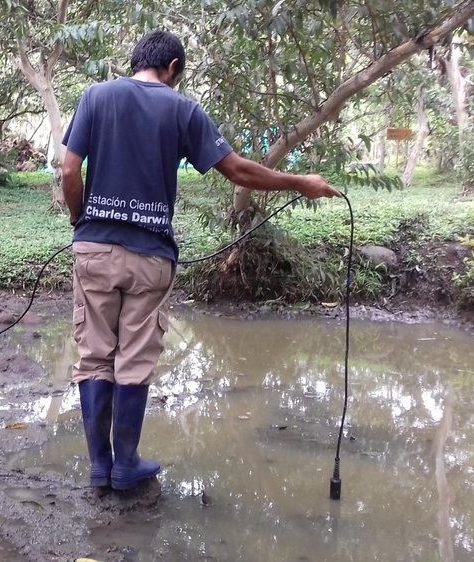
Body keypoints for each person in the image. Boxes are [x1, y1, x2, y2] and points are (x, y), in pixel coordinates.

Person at [62, 31, 341, 491]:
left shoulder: (96, 96)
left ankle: (99, 468)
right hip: (151, 258)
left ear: (137, 61)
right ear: (172, 66)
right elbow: (238, 170)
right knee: (133, 360)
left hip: (94, 249)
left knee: (94, 357)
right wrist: (300, 182)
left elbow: (70, 171)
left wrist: (81, 220)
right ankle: (125, 464)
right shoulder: (181, 108)